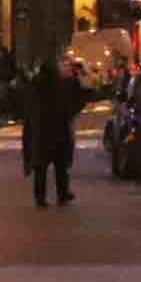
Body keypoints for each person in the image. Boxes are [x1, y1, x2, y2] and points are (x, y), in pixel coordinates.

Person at [21, 56, 89, 208]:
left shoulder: (35, 86)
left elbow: (26, 104)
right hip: (59, 131)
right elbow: (78, 99)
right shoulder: (61, 85)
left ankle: (40, 198)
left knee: (41, 167)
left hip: (40, 132)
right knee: (60, 166)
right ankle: (62, 194)